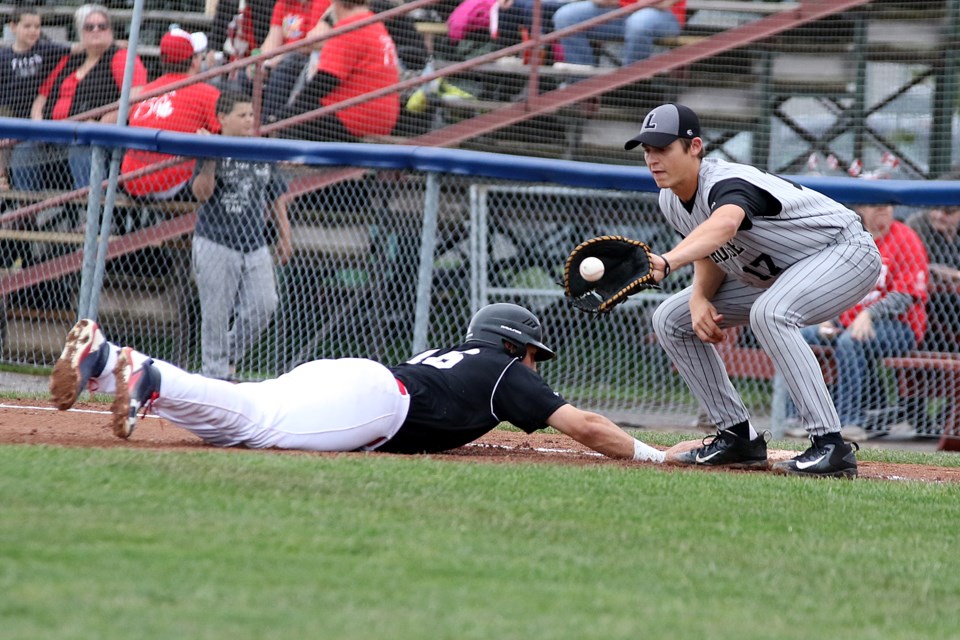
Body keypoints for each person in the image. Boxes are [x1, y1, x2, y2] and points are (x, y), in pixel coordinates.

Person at [48, 303, 668, 465]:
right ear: (513, 345)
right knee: (254, 426)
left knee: (243, 419)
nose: (536, 367)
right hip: (376, 403)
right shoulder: (504, 368)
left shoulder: (455, 356)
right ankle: (145, 373)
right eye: (534, 355)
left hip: (355, 377)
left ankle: (106, 362)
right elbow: (586, 427)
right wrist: (652, 454)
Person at [624, 102, 882, 478]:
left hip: (843, 253)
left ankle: (831, 446)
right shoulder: (670, 199)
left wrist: (667, 261)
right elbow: (711, 250)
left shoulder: (726, 182)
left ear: (694, 147)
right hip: (780, 275)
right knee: (670, 318)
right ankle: (737, 437)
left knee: (771, 313)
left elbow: (725, 225)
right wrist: (698, 297)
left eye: (663, 148)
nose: (652, 158)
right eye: (647, 150)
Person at [784, 200, 929, 442]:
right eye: (875, 203)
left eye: (888, 204)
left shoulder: (905, 237)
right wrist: (826, 318)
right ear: (861, 208)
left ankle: (850, 422)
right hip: (847, 322)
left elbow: (905, 295)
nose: (883, 208)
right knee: (802, 336)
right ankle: (797, 416)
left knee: (851, 342)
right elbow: (833, 286)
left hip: (900, 327)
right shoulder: (852, 239)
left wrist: (868, 314)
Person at [190, 91, 292, 380]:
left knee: (264, 304)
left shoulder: (260, 148)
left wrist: (285, 236)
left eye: (251, 114)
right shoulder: (212, 145)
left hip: (254, 243)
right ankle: (215, 375)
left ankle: (226, 359)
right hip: (215, 240)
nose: (249, 120)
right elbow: (201, 194)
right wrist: (209, 159)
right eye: (242, 114)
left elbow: (276, 196)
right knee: (216, 313)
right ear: (223, 118)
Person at [30, 4, 148, 189]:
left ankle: (89, 212)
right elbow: (42, 97)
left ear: (111, 30)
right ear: (80, 31)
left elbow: (135, 98)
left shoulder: (120, 56)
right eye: (89, 27)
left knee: (82, 147)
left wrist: (99, 126)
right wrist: (37, 124)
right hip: (54, 136)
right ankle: (25, 212)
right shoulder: (70, 59)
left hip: (97, 140)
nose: (96, 30)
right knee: (24, 148)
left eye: (102, 26)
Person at [273, 0, 401, 142]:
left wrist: (285, 115)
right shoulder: (374, 23)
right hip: (381, 117)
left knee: (291, 117)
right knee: (298, 110)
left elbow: (324, 81)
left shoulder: (348, 28)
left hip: (354, 118)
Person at [120, 27, 222, 201]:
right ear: (194, 61)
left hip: (132, 183)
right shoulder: (206, 92)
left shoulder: (145, 92)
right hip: (174, 185)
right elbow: (224, 135)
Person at [1, 8, 73, 191]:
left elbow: (76, 48)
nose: (34, 31)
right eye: (27, 26)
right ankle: (2, 179)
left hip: (37, 118)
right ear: (13, 27)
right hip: (10, 114)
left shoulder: (46, 49)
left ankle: (24, 208)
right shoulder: (3, 56)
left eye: (37, 26)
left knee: (21, 151)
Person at [258, 0, 332, 122]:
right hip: (283, 55)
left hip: (304, 56)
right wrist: (260, 61)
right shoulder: (283, 3)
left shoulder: (320, 2)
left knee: (284, 69)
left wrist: (280, 56)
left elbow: (313, 43)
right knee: (248, 74)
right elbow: (272, 38)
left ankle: (268, 125)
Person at [552, 0, 685, 68]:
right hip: (621, 12)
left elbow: (661, 3)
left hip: (664, 15)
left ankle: (633, 82)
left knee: (638, 23)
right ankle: (580, 82)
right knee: (566, 16)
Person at [905, 202, 960, 353]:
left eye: (948, 212)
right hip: (929, 296)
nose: (938, 215)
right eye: (934, 208)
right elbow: (923, 268)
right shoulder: (918, 224)